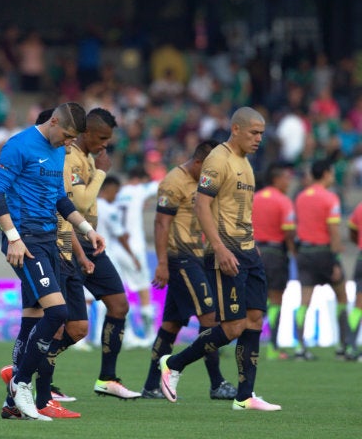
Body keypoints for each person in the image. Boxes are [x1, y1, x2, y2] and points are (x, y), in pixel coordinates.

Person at [0, 102, 105, 420]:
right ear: (53, 122)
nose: (69, 143)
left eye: (72, 139)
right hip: (25, 241)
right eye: (66, 136)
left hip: (49, 240)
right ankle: (21, 384)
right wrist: (13, 238)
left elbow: (59, 198)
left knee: (32, 317)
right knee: (58, 312)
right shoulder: (19, 145)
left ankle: (11, 405)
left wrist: (86, 229)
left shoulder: (58, 150)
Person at [159, 107, 282, 411]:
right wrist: (220, 247)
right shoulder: (217, 159)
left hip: (248, 250)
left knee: (254, 320)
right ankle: (174, 363)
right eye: (254, 132)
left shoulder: (245, 163)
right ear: (236, 129)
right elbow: (202, 206)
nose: (259, 138)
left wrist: (251, 246)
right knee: (232, 326)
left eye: (262, 133)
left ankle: (244, 396)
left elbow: (240, 210)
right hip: (226, 251)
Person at [141, 140, 238, 400]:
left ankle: (151, 385)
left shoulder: (201, 184)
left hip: (196, 257)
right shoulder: (174, 182)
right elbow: (161, 223)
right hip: (180, 258)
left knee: (171, 325)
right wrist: (162, 262)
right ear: (197, 162)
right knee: (210, 319)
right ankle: (217, 383)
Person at [66, 109, 142, 400]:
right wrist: (101, 172)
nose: (104, 146)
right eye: (101, 138)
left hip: (90, 241)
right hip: (69, 241)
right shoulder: (71, 157)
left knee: (119, 305)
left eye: (109, 140)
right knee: (69, 325)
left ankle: (107, 378)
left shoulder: (86, 157)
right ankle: (29, 371)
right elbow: (80, 203)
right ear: (85, 133)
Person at [294, 159, 351, 360]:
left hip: (304, 252)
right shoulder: (330, 198)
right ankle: (343, 347)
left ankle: (300, 348)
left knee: (304, 302)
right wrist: (335, 257)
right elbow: (333, 230)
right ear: (326, 173)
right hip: (324, 253)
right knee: (342, 297)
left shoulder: (301, 197)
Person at [252, 162, 296, 360]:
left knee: (253, 301)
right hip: (276, 253)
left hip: (254, 252)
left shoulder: (255, 198)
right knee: (276, 299)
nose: (289, 181)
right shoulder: (283, 201)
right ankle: (272, 348)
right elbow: (288, 231)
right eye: (286, 178)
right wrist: (293, 251)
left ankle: (249, 345)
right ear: (276, 179)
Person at [113, 166, 159, 345]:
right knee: (143, 291)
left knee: (120, 291)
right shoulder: (139, 189)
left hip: (116, 248)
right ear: (139, 179)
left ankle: (127, 335)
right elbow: (159, 185)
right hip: (134, 248)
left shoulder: (117, 192)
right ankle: (150, 335)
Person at [345, 202, 362, 361]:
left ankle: (350, 347)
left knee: (359, 305)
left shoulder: (359, 207)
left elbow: (352, 231)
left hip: (361, 257)